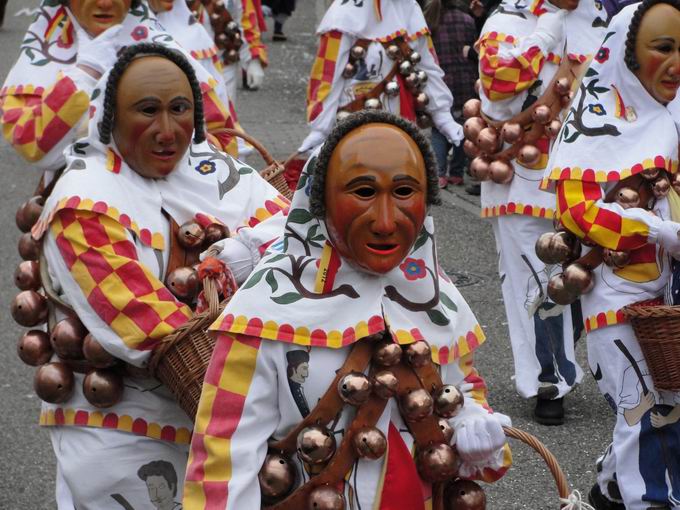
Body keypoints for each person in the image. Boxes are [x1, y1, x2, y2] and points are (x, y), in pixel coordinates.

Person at [183, 111, 511, 509]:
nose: (387, 222)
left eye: (405, 191)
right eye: (363, 192)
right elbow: (222, 460)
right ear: (321, 201)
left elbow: (465, 389)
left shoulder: (434, 298)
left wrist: (475, 424)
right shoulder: (266, 309)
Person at [31, 42, 289, 508]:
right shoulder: (84, 202)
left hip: (234, 424)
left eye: (180, 110)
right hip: (127, 430)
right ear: (110, 117)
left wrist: (236, 256)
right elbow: (149, 327)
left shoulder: (219, 170)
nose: (168, 131)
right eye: (147, 110)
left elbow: (303, 240)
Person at [543, 1, 680, 506]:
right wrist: (658, 229)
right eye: (663, 48)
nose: (675, 63)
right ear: (628, 56)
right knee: (645, 413)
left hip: (670, 301)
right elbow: (581, 214)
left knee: (664, 412)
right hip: (616, 300)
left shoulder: (673, 118)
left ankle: (608, 490)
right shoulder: (591, 122)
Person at [473, 0, 608, 425]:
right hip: (522, 183)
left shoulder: (604, 20)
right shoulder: (508, 18)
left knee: (592, 277)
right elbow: (497, 85)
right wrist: (548, 30)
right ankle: (548, 382)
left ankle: (562, 360)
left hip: (589, 179)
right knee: (533, 284)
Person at [0, 0, 240, 181]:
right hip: (78, 214)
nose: (104, 3)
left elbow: (224, 136)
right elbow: (31, 145)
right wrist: (83, 75)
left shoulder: (171, 56)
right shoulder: (40, 60)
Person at [297, 0, 463, 156]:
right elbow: (327, 75)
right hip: (352, 129)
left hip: (401, 127)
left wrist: (443, 116)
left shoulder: (410, 8)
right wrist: (320, 129)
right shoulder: (343, 13)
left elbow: (427, 67)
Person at [428, 0, 478, 189]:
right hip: (465, 78)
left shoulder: (431, 21)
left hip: (440, 79)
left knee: (438, 129)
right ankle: (456, 173)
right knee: (463, 126)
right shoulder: (467, 20)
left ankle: (439, 173)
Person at [188, 0, 267, 100]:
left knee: (223, 112)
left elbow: (245, 20)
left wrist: (253, 60)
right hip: (182, 65)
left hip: (223, 64)